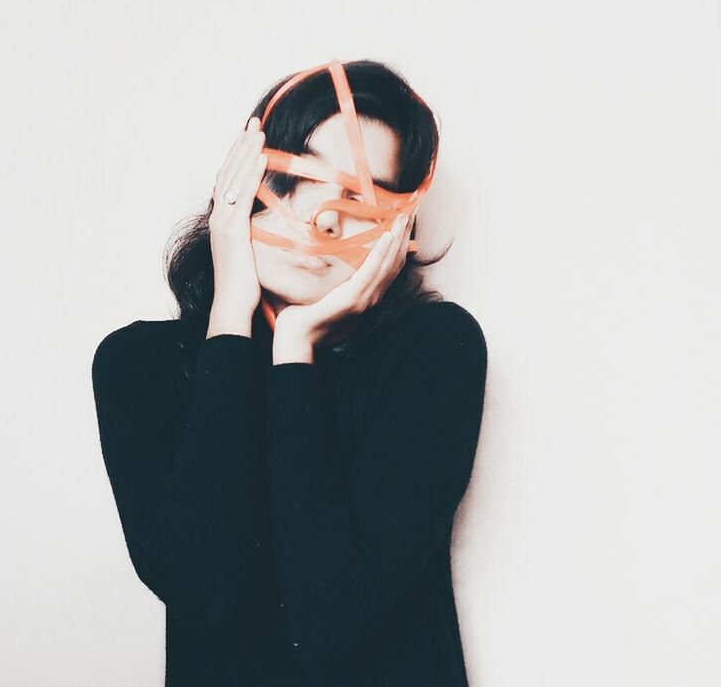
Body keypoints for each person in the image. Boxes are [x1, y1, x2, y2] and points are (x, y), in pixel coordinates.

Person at [92, 59, 488, 686]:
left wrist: (295, 350)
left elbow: (330, 619)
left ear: (397, 228)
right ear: (244, 181)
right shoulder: (139, 364)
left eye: (360, 196)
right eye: (300, 177)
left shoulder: (435, 350)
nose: (324, 218)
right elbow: (208, 587)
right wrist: (232, 317)